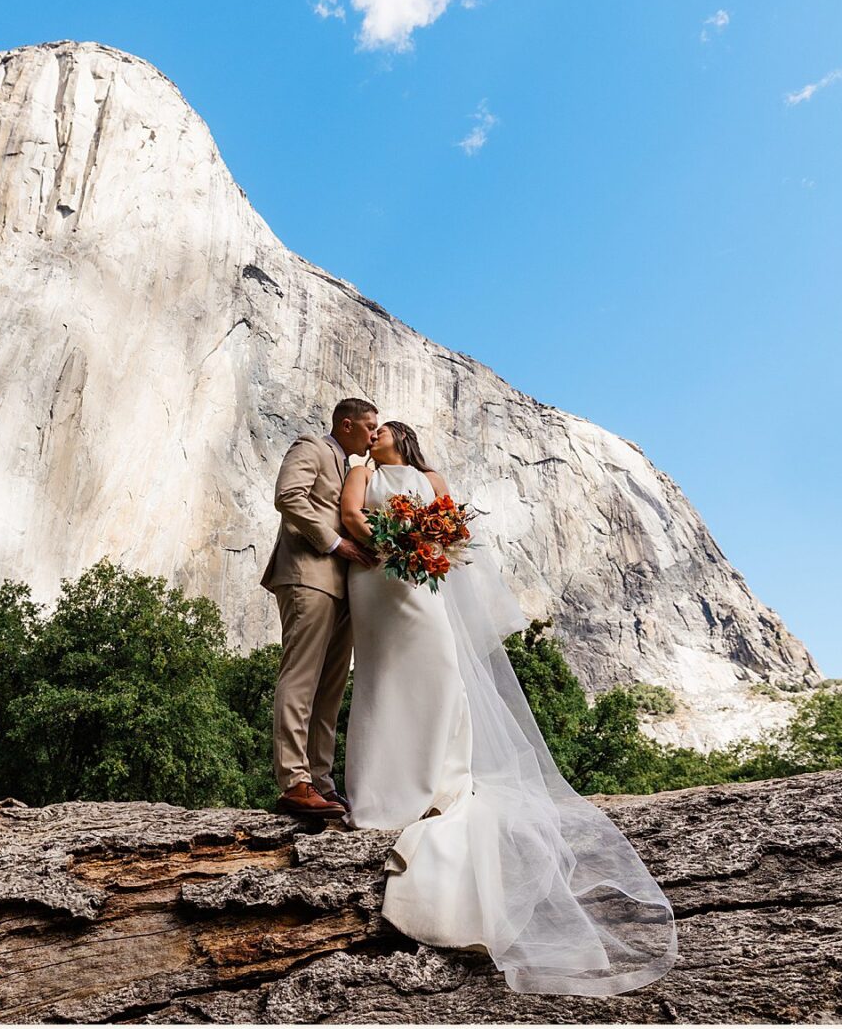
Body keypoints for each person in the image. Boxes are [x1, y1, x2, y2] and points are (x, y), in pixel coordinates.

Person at [338, 419, 678, 996]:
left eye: (384, 429)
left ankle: (436, 779)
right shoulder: (360, 473)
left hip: (418, 581)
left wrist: (424, 548)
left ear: (403, 437)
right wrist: (393, 546)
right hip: (376, 578)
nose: (375, 436)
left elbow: (454, 531)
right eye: (372, 430)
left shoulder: (430, 477)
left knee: (441, 671)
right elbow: (352, 517)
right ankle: (380, 788)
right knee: (380, 679)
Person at [260, 398, 380, 819]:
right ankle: (294, 782)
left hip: (346, 588)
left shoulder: (354, 470)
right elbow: (288, 497)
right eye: (369, 427)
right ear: (346, 425)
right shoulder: (311, 446)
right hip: (307, 575)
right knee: (301, 677)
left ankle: (321, 781)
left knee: (330, 689)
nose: (373, 435)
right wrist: (335, 543)